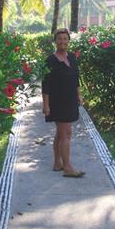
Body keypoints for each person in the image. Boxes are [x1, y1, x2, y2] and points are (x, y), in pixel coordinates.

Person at [41, 28, 86, 178]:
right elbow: (45, 84)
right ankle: (67, 167)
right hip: (57, 102)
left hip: (71, 100)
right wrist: (45, 105)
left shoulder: (72, 57)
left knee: (60, 134)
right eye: (59, 39)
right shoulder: (50, 60)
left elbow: (76, 78)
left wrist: (79, 95)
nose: (62, 41)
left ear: (68, 40)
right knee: (66, 133)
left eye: (65, 38)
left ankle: (57, 163)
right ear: (55, 41)